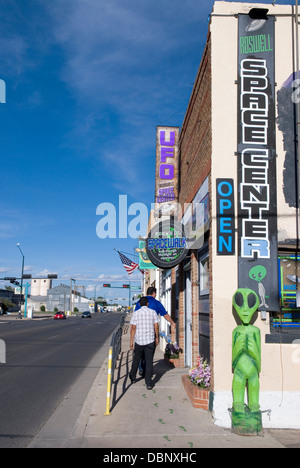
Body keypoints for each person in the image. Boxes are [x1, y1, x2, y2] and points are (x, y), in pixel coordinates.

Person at [129, 296, 159, 390]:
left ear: (139, 304)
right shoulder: (152, 312)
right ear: (147, 304)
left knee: (136, 360)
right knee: (149, 362)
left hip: (139, 341)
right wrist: (157, 337)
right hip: (150, 340)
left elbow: (133, 327)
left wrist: (131, 341)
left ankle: (133, 377)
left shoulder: (136, 313)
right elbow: (156, 326)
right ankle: (149, 383)